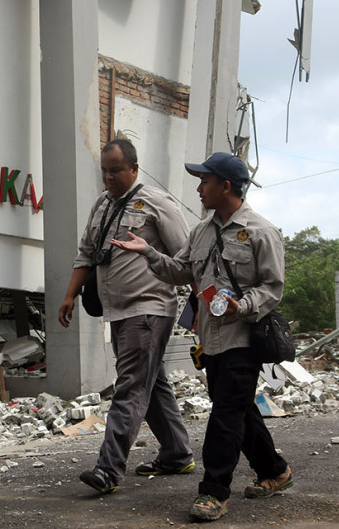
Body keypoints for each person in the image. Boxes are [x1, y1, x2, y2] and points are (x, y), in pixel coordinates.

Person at [111, 151, 292, 522]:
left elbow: (273, 288)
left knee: (225, 413)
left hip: (243, 338)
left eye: (204, 181)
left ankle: (214, 491)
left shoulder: (260, 231)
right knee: (238, 409)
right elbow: (180, 271)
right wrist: (148, 251)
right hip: (210, 340)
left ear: (225, 186)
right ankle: (274, 470)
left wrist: (243, 305)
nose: (198, 188)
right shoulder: (202, 231)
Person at [58, 138, 194, 495]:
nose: (108, 177)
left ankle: (109, 469)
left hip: (149, 308)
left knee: (131, 386)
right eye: (104, 170)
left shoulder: (156, 202)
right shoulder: (101, 205)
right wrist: (70, 294)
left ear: (134, 168)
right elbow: (86, 253)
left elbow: (187, 257)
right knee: (152, 383)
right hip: (118, 312)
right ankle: (178, 453)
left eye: (116, 170)